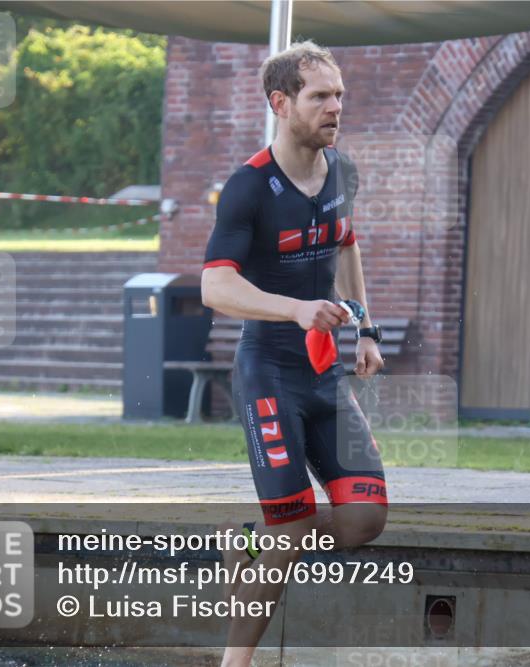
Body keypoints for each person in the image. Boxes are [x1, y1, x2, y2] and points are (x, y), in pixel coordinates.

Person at [200, 40, 388, 667]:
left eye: (339, 95)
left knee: (365, 520)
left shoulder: (343, 170)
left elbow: (346, 245)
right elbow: (214, 285)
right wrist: (296, 308)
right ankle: (236, 663)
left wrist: (364, 328)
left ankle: (250, 541)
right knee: (291, 533)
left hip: (323, 374)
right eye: (321, 96)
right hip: (269, 372)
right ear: (281, 103)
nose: (336, 106)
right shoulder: (248, 188)